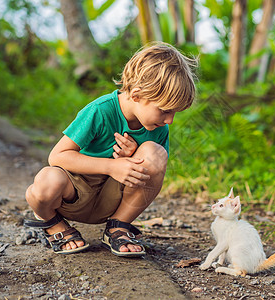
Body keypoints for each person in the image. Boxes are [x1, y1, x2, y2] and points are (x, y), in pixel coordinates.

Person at [24, 42, 198, 257]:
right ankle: (53, 224)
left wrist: (134, 156)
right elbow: (57, 156)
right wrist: (111, 165)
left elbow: (153, 173)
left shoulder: (158, 126)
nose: (170, 120)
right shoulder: (101, 110)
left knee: (154, 153)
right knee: (46, 181)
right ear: (136, 95)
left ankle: (118, 227)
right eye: (164, 110)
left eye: (174, 113)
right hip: (74, 194)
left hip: (111, 200)